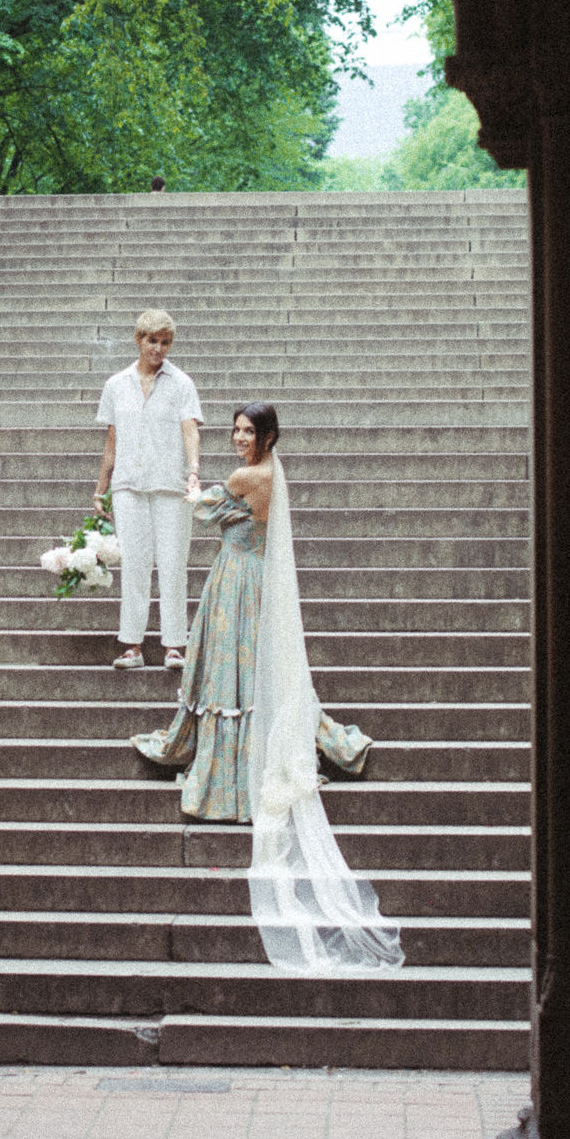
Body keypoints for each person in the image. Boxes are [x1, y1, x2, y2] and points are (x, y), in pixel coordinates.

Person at [132, 402, 402, 972]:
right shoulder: (275, 474)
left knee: (229, 670)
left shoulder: (244, 477)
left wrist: (190, 485)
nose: (238, 439)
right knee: (254, 673)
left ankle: (227, 776)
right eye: (234, 431)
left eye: (247, 432)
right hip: (262, 580)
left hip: (236, 579)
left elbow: (205, 513)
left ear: (269, 436)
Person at [94, 309, 202, 671]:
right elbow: (112, 441)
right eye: (152, 341)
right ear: (138, 340)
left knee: (173, 564)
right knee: (136, 565)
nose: (158, 348)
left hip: (171, 485)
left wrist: (193, 471)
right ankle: (132, 646)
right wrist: (101, 488)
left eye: (165, 342)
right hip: (128, 485)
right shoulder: (116, 384)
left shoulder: (182, 383)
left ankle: (174, 646)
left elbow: (190, 429)